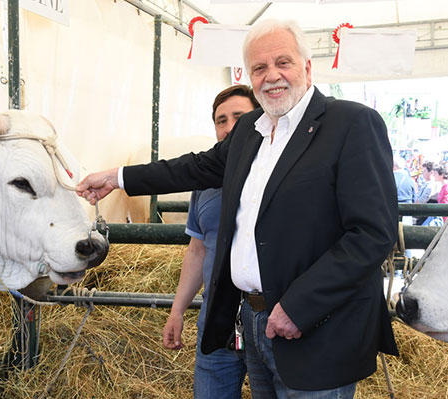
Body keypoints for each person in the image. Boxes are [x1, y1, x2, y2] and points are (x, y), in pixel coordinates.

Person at [77, 18, 398, 398]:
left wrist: (298, 306)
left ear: (308, 68)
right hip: (252, 320)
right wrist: (119, 177)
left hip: (317, 329)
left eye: (284, 62)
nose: (272, 76)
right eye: (259, 68)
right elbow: (194, 167)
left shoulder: (352, 123)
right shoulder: (250, 129)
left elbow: (372, 233)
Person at [162, 85, 259, 399]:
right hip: (216, 317)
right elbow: (197, 249)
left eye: (239, 117)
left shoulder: (279, 175)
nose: (229, 127)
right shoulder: (204, 183)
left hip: (268, 317)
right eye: (221, 120)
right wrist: (178, 311)